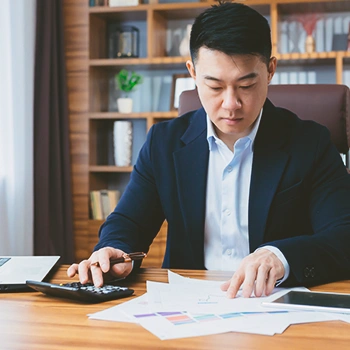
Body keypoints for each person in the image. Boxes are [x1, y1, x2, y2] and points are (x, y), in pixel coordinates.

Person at [68, 1, 350, 298]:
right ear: (192, 72)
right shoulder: (163, 142)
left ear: (270, 71)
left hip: (276, 304)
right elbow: (128, 222)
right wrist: (115, 248)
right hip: (189, 306)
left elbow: (344, 235)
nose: (231, 104)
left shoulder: (309, 143)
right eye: (215, 86)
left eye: (246, 85)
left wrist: (280, 256)